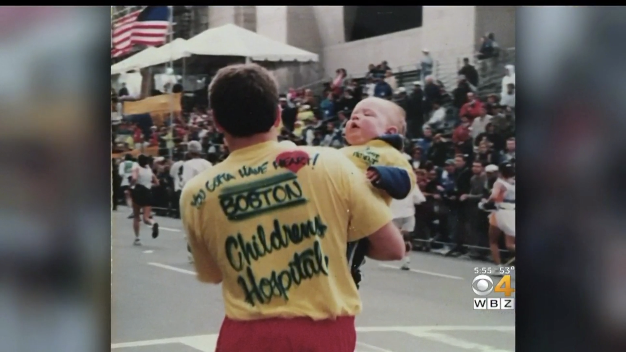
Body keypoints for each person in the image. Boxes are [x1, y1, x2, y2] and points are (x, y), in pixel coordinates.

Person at [180, 64, 405, 352]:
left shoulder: (196, 193)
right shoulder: (331, 163)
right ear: (277, 115)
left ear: (217, 122)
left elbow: (213, 273)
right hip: (325, 335)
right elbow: (393, 248)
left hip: (246, 337)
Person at [340, 97, 416, 286]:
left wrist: (383, 174)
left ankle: (348, 279)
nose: (355, 118)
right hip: (330, 210)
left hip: (355, 221)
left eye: (367, 114)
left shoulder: (387, 153)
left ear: (389, 131)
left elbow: (406, 179)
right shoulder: (345, 150)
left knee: (343, 263)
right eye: (353, 115)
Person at [181, 140, 212, 262]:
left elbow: (186, 182)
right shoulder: (208, 164)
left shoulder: (188, 165)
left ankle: (192, 251)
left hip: (194, 197)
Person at [481, 162, 515, 270]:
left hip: (501, 212)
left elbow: (494, 196)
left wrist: (485, 203)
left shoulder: (499, 183)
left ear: (500, 172)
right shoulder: (514, 183)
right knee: (509, 244)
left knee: (493, 241)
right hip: (513, 211)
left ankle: (499, 267)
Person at [391, 183, 426, 270]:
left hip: (394, 213)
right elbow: (420, 199)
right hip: (408, 213)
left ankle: (398, 255)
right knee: (407, 237)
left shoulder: (392, 183)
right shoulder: (412, 184)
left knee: (397, 235)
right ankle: (406, 259)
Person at [130, 154, 159, 245]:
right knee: (146, 217)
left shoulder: (136, 168)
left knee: (136, 216)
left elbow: (134, 178)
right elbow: (157, 182)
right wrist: (150, 185)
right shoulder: (149, 170)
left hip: (138, 191)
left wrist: (131, 186)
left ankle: (137, 238)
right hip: (148, 192)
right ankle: (153, 222)